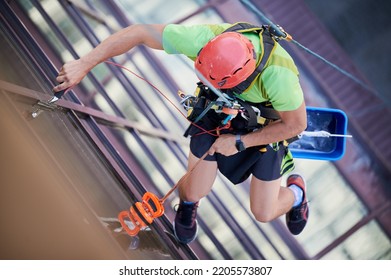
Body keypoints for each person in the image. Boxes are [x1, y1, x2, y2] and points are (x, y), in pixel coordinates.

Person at [53, 22, 309, 244]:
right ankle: (188, 204)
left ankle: (296, 194)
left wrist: (241, 141)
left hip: (264, 125)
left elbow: (296, 125)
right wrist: (84, 63)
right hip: (218, 107)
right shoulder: (205, 39)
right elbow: (139, 32)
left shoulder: (278, 77)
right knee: (193, 191)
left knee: (263, 212)